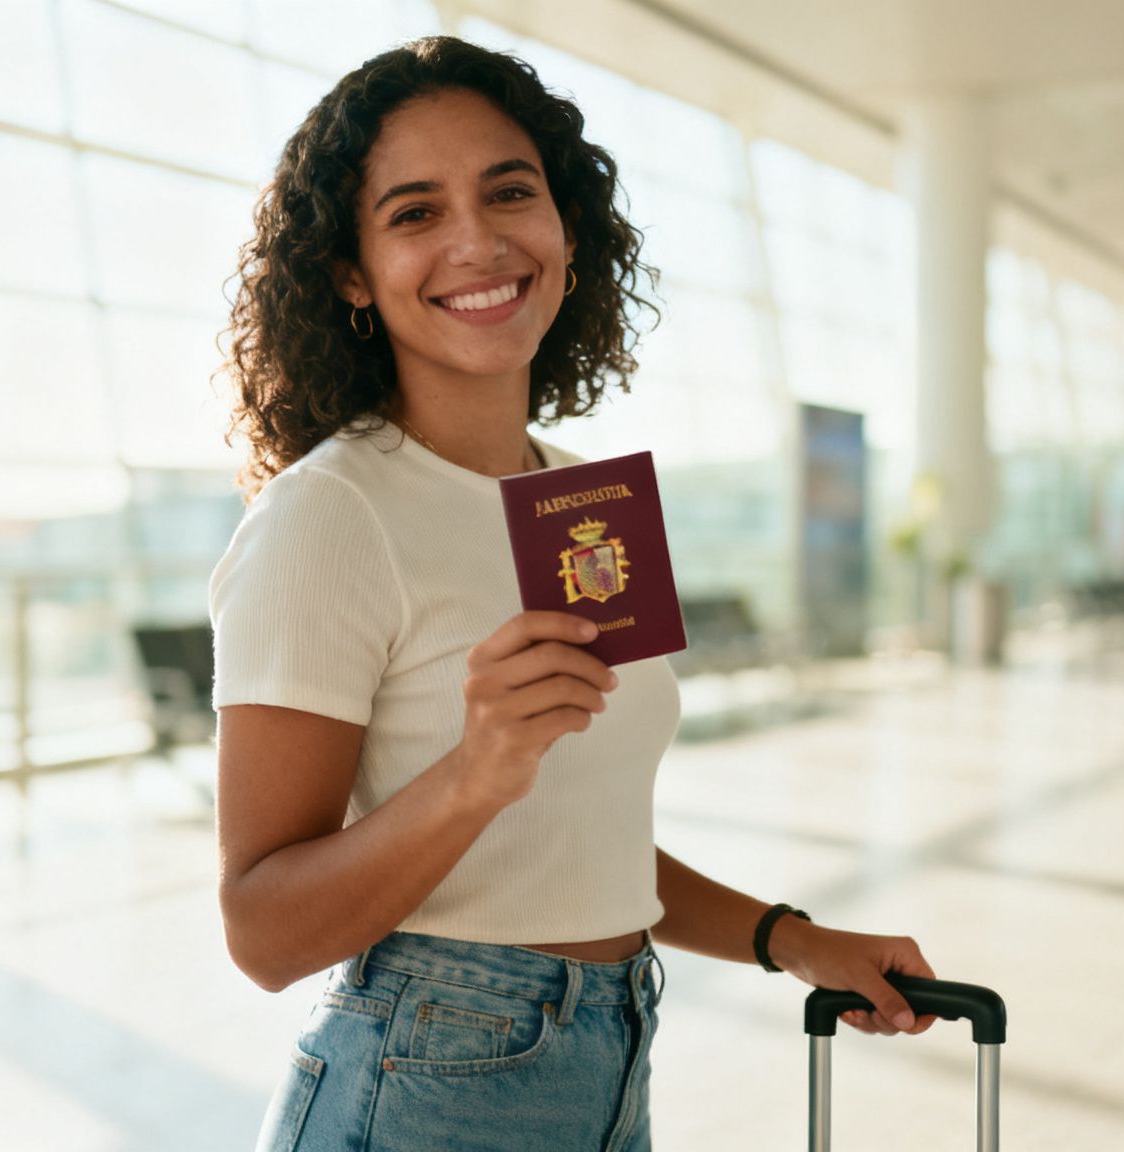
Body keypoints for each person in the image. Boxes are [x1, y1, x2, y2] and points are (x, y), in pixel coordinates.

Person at [211, 37, 942, 1152]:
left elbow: (575, 841)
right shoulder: (330, 514)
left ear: (565, 231)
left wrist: (788, 938)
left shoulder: (582, 504)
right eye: (412, 213)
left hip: (608, 1059)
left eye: (510, 191)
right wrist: (471, 775)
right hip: (426, 1077)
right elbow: (261, 931)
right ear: (350, 274)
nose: (476, 240)